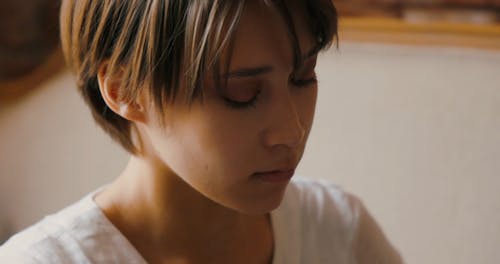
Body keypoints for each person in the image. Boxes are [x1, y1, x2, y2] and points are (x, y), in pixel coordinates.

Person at [0, 0, 404, 263]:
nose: (291, 131)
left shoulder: (336, 230)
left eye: (304, 77)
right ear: (125, 91)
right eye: (241, 94)